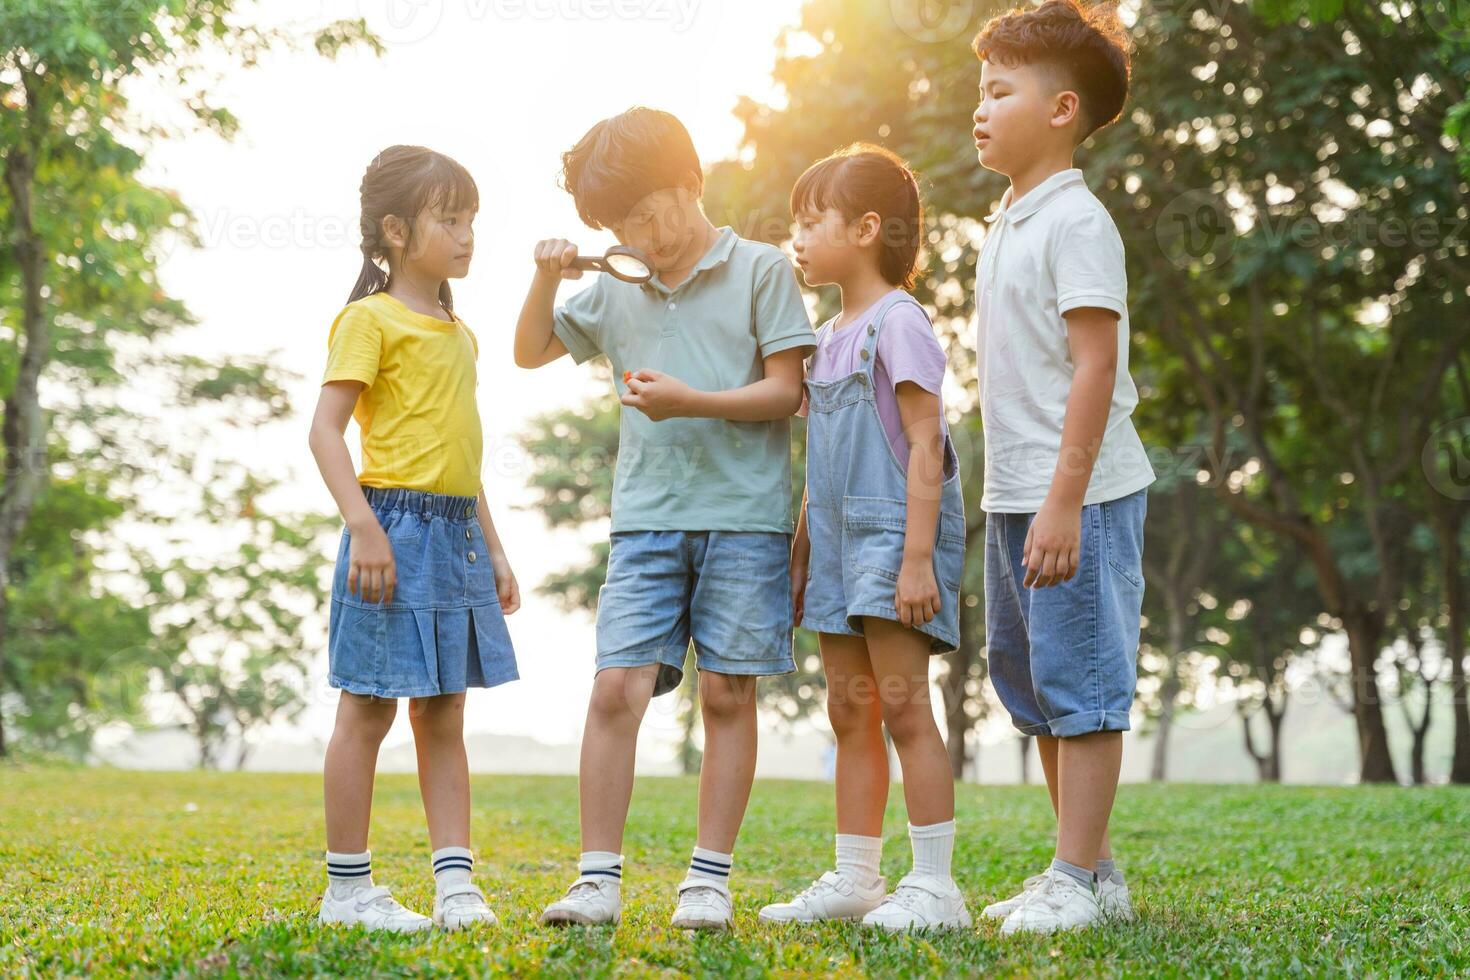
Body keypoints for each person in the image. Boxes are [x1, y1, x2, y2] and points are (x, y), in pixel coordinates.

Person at [513, 107, 816, 931]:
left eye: (647, 212)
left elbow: (787, 392)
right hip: (644, 521)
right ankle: (596, 881)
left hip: (745, 521)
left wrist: (689, 402)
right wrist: (547, 274)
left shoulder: (760, 270)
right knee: (617, 688)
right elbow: (530, 349)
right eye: (619, 225)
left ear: (691, 182)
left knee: (726, 696)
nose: (640, 235)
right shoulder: (613, 286)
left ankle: (707, 881)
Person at [970, 0, 1155, 935]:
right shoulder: (1006, 221)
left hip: (1075, 494)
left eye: (1001, 90)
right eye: (981, 88)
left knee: (1081, 682)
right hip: (1018, 495)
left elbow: (1097, 364)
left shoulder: (1076, 221)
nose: (981, 106)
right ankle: (1093, 873)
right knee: (1040, 688)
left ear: (1062, 109)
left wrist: (1062, 504)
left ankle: (1074, 878)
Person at [758, 144, 970, 931]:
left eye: (813, 222)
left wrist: (917, 559)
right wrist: (804, 549)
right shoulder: (824, 334)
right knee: (850, 711)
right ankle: (856, 876)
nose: (800, 239)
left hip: (892, 539)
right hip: (838, 546)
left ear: (868, 228)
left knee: (906, 710)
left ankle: (935, 885)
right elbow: (823, 459)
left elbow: (923, 442)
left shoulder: (899, 322)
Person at [308, 145, 519, 933]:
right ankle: (347, 891)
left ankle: (455, 885)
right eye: (449, 218)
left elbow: (465, 454)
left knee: (443, 712)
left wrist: (493, 547)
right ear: (396, 230)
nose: (467, 235)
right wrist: (363, 528)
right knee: (368, 709)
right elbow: (325, 433)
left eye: (471, 220)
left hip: (455, 534)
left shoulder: (460, 333)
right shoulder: (369, 320)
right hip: (389, 531)